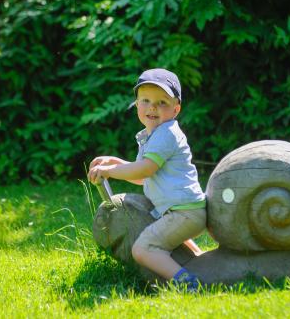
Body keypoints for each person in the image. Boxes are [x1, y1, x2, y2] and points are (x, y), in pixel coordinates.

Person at [88, 68, 206, 290]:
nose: (152, 107)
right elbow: (144, 177)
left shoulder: (166, 134)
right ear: (137, 104)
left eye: (162, 102)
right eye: (146, 100)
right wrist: (113, 162)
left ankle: (188, 283)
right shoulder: (155, 135)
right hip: (183, 211)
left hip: (184, 213)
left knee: (143, 249)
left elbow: (144, 170)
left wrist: (110, 171)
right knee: (164, 241)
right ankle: (200, 261)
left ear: (176, 109)